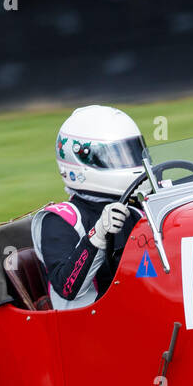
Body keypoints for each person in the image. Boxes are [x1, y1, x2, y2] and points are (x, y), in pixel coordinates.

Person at [31, 105, 145, 309]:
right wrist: (98, 234)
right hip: (85, 330)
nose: (130, 162)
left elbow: (151, 274)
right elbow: (67, 288)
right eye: (116, 155)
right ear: (79, 160)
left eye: (132, 152)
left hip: (139, 314)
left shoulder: (135, 210)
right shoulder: (59, 219)